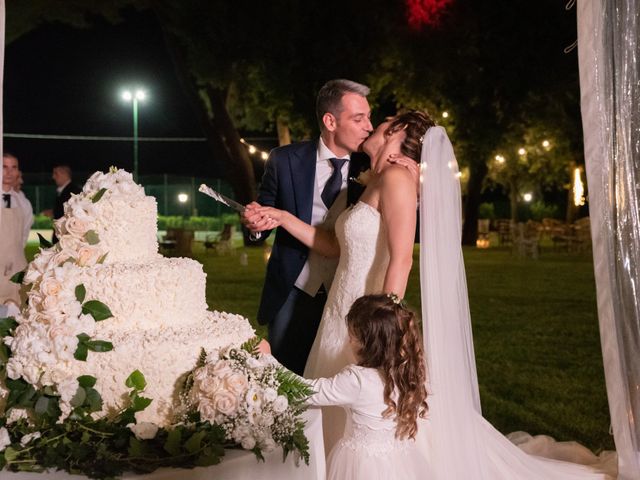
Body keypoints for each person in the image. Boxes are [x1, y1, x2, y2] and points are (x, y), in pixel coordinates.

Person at [250, 113, 613, 478]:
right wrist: (281, 216)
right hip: (339, 311)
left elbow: (403, 260)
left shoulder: (396, 179)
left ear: (397, 132)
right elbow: (332, 247)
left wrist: (383, 334)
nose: (374, 123)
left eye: (382, 120)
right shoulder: (379, 178)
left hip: (367, 317)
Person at [241, 79, 372, 376]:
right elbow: (264, 216)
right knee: (283, 376)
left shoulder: (371, 168)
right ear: (330, 121)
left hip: (345, 291)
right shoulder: (284, 159)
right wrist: (254, 224)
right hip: (293, 288)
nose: (368, 126)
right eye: (359, 118)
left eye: (368, 117)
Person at [259, 293, 431, 480]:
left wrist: (267, 361)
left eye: (353, 337)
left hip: (362, 466)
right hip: (398, 462)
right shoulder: (405, 372)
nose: (349, 342)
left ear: (369, 345)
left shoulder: (356, 380)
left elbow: (306, 391)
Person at [1, 153, 33, 306]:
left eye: (14, 167)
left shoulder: (23, 202)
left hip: (17, 268)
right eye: (4, 167)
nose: (9, 172)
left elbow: (24, 234)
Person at [42, 164, 81, 243]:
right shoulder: (65, 190)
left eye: (56, 173)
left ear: (64, 174)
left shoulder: (74, 191)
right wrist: (53, 212)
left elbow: (73, 213)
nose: (53, 177)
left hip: (67, 237)